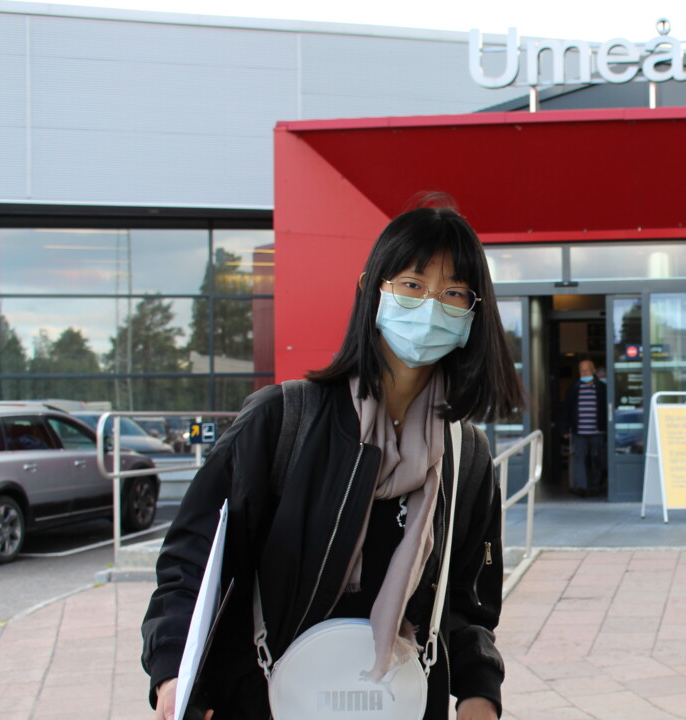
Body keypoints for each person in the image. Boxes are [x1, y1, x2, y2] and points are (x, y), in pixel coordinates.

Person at [141, 198, 522, 720]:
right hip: (267, 698)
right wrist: (173, 674)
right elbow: (194, 562)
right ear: (372, 289)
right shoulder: (282, 420)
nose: (431, 306)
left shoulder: (466, 453)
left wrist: (480, 693)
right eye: (412, 285)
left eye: (453, 293)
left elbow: (467, 601)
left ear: (473, 314)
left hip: (401, 703)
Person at [559, 357, 608, 497]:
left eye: (587, 370)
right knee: (578, 459)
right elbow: (566, 409)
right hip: (578, 431)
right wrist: (564, 429)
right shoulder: (574, 388)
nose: (584, 373)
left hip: (597, 431)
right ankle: (582, 487)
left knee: (596, 460)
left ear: (593, 371)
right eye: (582, 370)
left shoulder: (602, 388)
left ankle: (594, 487)